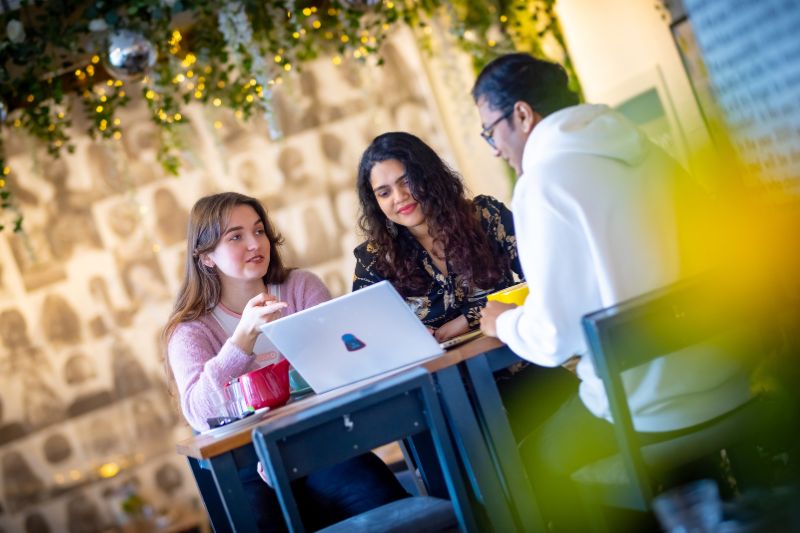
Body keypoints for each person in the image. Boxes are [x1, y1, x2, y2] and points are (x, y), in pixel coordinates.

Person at [472, 54, 752, 524]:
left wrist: (505, 323)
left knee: (531, 463)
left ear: (522, 115)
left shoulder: (543, 183)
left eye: (489, 132)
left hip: (649, 410)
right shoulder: (644, 146)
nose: (495, 149)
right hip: (730, 377)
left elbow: (555, 338)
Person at [163, 192, 408, 532]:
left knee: (380, 497)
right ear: (206, 257)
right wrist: (241, 340)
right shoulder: (190, 331)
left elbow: (336, 370)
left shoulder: (300, 288)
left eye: (259, 230)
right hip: (247, 465)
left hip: (317, 443)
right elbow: (200, 413)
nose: (254, 243)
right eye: (236, 236)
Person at [352, 131, 524, 342]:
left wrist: (467, 319)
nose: (399, 197)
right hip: (440, 374)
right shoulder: (373, 261)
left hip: (518, 357)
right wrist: (410, 340)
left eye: (406, 181)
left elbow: (540, 281)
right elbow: (367, 340)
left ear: (428, 175)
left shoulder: (487, 216)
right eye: (384, 193)